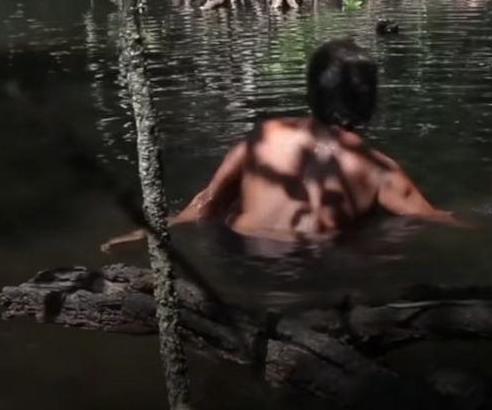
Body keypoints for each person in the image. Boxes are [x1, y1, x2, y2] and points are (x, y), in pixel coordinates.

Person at [102, 37, 464, 251]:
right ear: (370, 101)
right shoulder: (378, 169)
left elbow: (205, 206)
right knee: (372, 237)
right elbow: (433, 220)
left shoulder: (262, 137)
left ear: (312, 92)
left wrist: (144, 234)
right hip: (309, 265)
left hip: (239, 252)